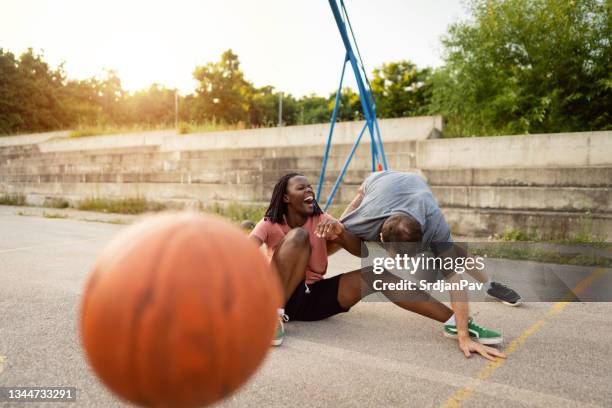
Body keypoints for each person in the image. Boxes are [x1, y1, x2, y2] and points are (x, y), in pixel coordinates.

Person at [250, 173, 506, 360]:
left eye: (310, 186)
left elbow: (357, 250)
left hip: (311, 298)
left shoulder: (323, 219)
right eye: (300, 188)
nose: (309, 190)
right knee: (299, 237)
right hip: (278, 293)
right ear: (285, 197)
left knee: (380, 274)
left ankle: (456, 321)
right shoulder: (271, 223)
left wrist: (339, 230)